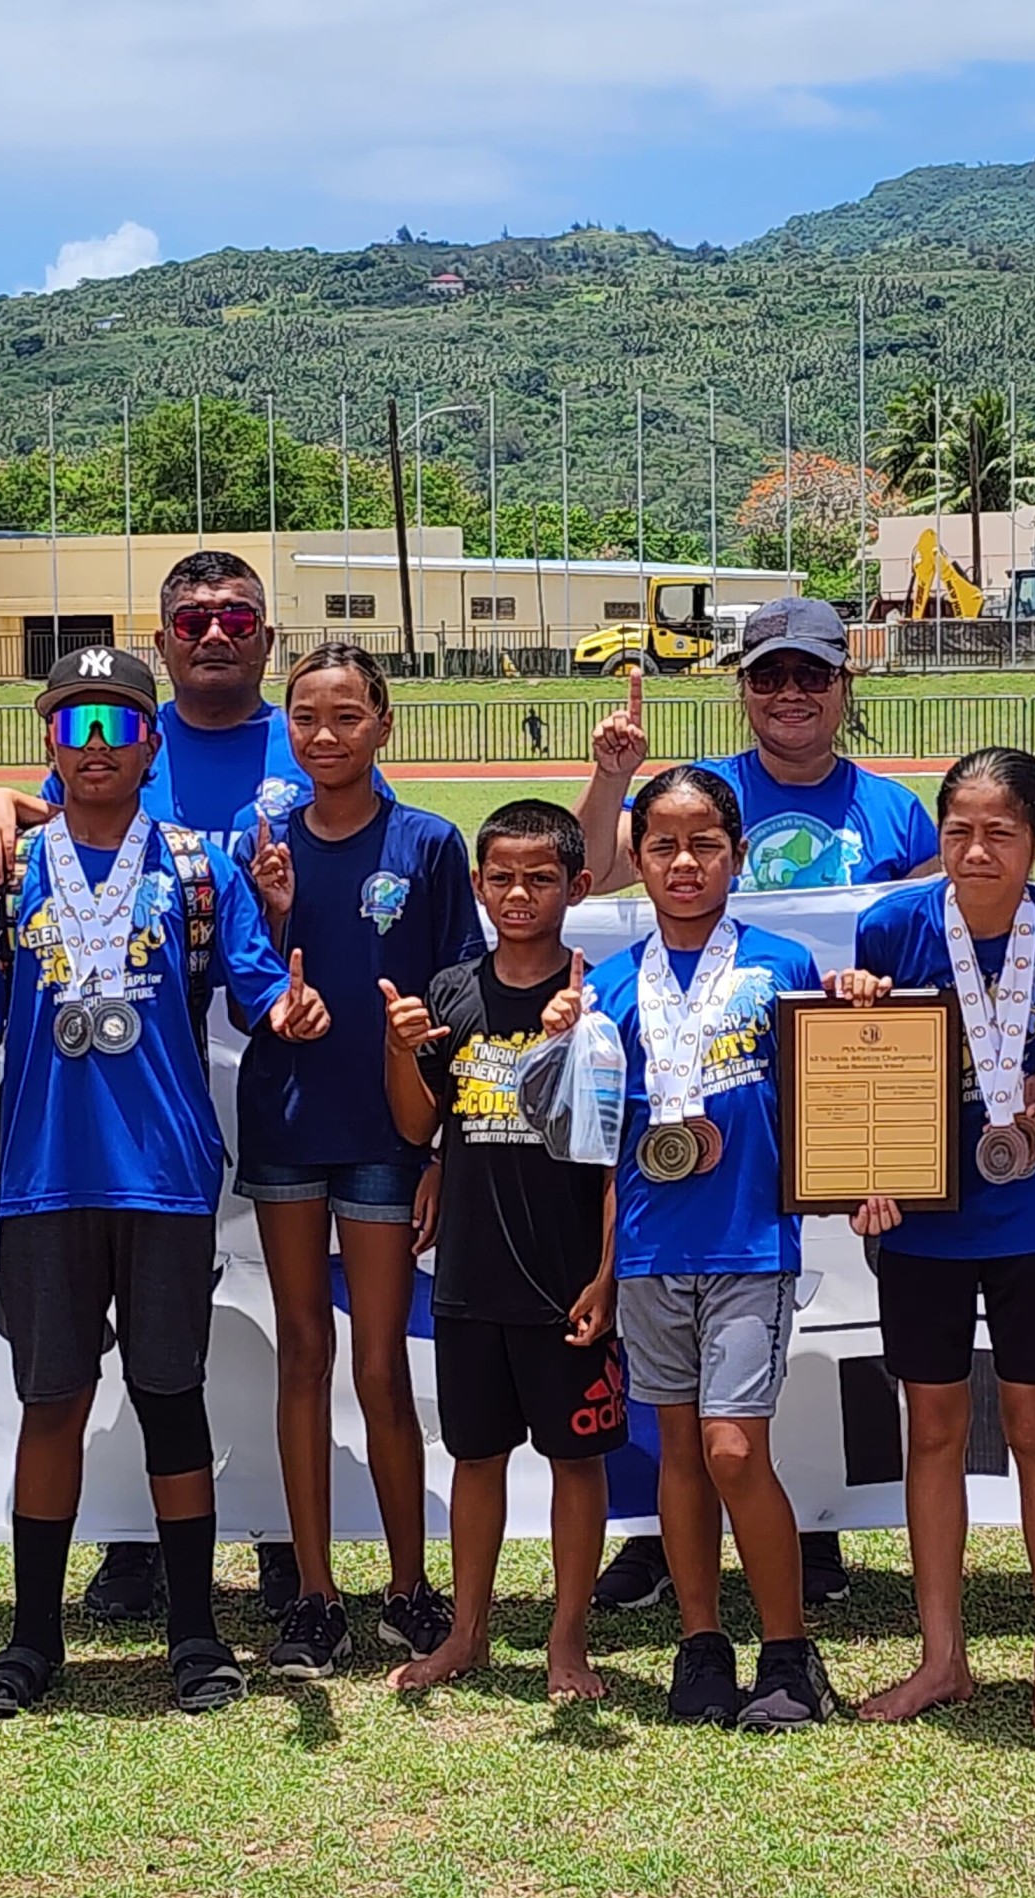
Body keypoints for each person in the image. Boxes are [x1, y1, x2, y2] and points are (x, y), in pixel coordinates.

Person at [0, 645, 329, 1720]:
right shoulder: (2, 874)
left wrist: (289, 1006)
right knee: (50, 1404)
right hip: (48, 1179)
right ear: (46, 744)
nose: (94, 746)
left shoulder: (196, 865)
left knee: (168, 1396)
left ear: (151, 744)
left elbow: (253, 991)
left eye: (116, 726)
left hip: (166, 1176)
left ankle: (195, 1632)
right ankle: (31, 1639)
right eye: (72, 726)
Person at [575, 597, 936, 1612]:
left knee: (828, 1332)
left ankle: (808, 1525)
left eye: (810, 675)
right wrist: (610, 775)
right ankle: (660, 1541)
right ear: (741, 687)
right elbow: (594, 873)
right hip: (694, 1111)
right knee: (692, 1378)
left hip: (816, 1111)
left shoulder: (895, 812)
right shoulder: (694, 798)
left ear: (841, 687)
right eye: (768, 675)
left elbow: (919, 951)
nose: (789, 694)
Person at [826, 749, 1035, 1734]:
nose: (977, 849)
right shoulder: (893, 923)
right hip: (923, 1217)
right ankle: (940, 1658)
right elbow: (859, 1057)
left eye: (1000, 831)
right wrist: (861, 1151)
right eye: (958, 829)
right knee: (935, 1432)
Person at [546, 763, 835, 1728]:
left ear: (737, 854)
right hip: (648, 1251)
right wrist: (603, 1267)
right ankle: (701, 1645)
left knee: (732, 1449)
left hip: (751, 1242)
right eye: (663, 846)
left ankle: (790, 1655)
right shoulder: (609, 989)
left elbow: (832, 1099)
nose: (683, 863)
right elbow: (595, 1148)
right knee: (676, 1452)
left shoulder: (785, 966)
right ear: (634, 858)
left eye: (704, 844)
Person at [235, 642, 483, 1678]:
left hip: (389, 1133)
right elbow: (243, 970)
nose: (324, 735)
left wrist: (441, 1149)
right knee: (303, 1351)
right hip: (286, 1122)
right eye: (304, 718)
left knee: (380, 1364)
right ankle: (312, 1595)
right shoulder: (256, 844)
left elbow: (462, 1000)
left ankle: (409, 1588)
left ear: (384, 726)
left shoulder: (426, 844)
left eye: (346, 716)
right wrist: (276, 916)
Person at [380, 800, 620, 1697]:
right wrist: (399, 1048)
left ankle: (567, 1640)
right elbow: (419, 1125)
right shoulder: (449, 993)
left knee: (574, 1460)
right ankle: (468, 1634)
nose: (518, 894)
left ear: (578, 886)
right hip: (472, 1273)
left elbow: (612, 1158)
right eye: (502, 878)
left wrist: (607, 1272)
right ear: (478, 886)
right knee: (475, 1457)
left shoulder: (601, 995)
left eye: (541, 878)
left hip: (565, 1276)